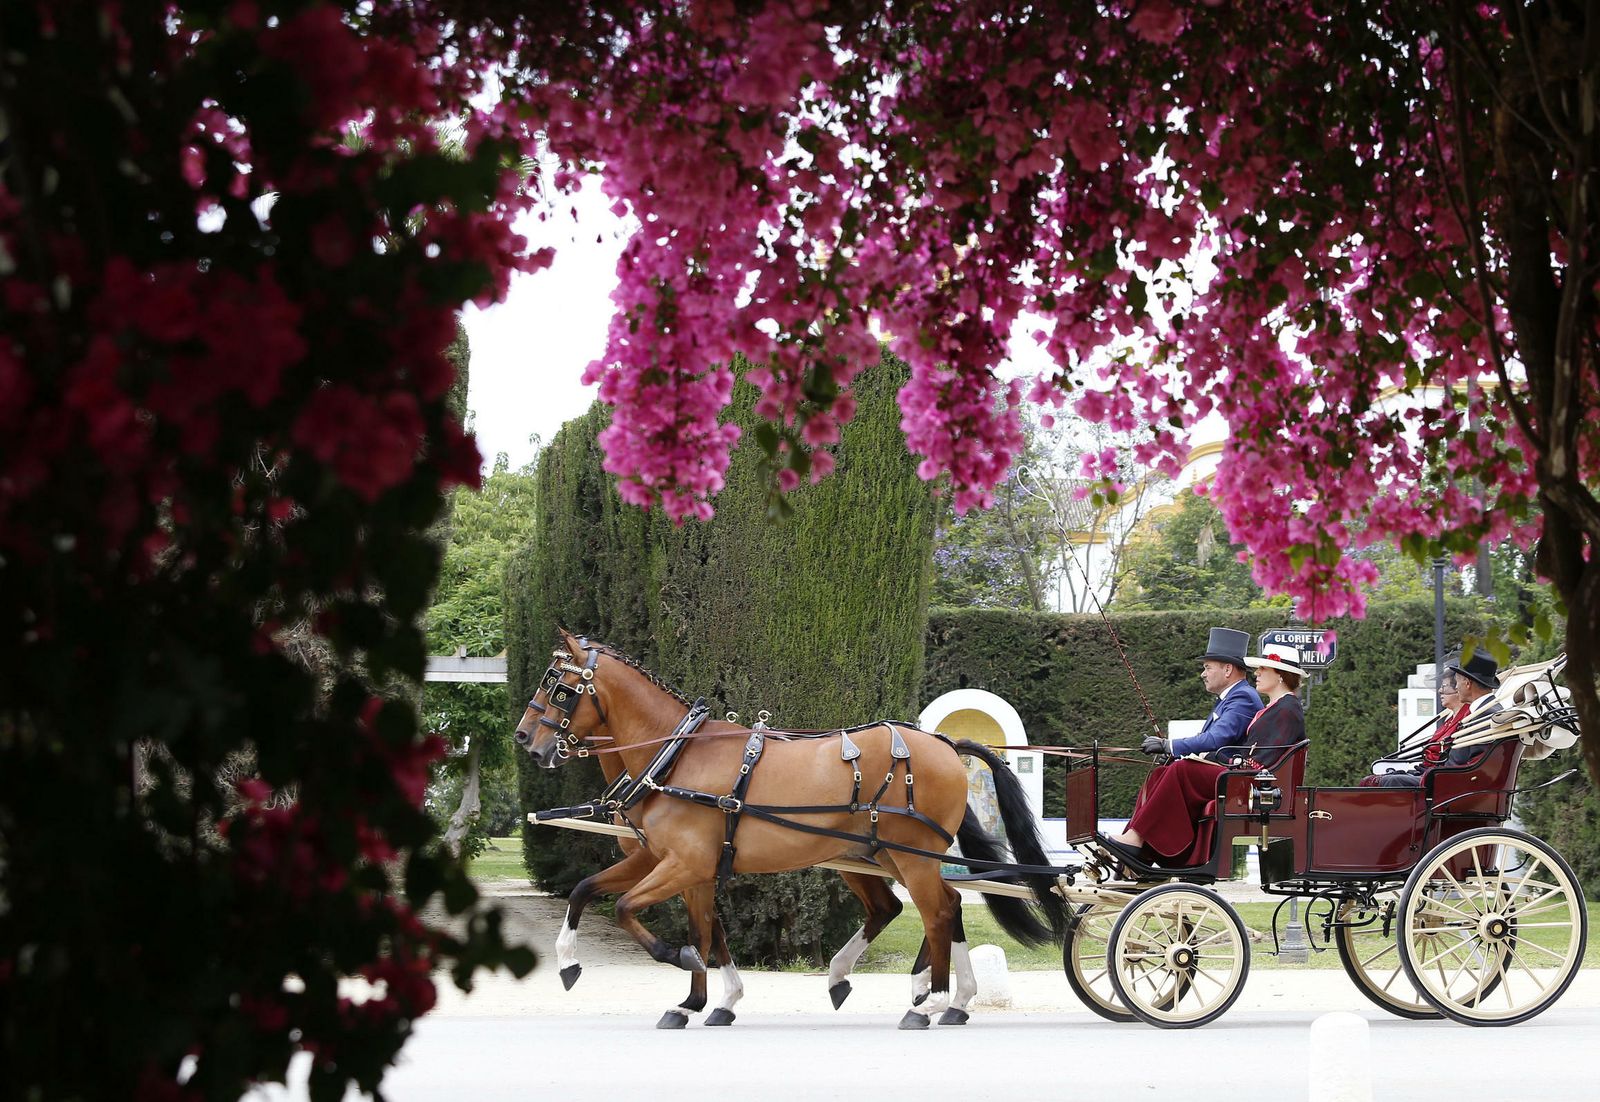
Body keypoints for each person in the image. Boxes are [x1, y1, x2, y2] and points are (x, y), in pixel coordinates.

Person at [1102, 630, 1307, 867]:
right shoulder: (1275, 707)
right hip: (1247, 777)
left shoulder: (1286, 709)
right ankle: (1139, 846)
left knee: (1183, 770)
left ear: (1280, 675)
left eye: (1263, 669)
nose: (1257, 673)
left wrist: (1181, 750)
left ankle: (1138, 841)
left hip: (1256, 785)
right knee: (1162, 772)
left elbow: (1260, 758)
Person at [1364, 651, 1501, 788]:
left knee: (1390, 782)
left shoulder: (1484, 715)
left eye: (1457, 681)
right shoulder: (1486, 711)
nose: (1456, 687)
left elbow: (1472, 766)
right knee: (1388, 779)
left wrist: (1430, 774)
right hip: (1454, 780)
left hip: (1456, 786)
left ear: (1467, 683)